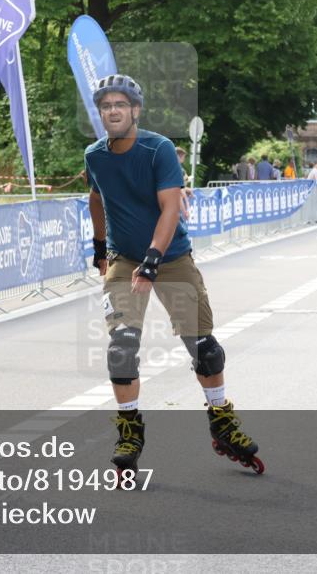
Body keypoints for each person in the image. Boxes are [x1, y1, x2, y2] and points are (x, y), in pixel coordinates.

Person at [84, 74, 263, 476]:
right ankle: (130, 430)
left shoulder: (158, 148)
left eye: (120, 105)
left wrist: (152, 261)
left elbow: (169, 208)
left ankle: (221, 420)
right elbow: (96, 197)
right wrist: (99, 250)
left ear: (135, 110)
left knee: (205, 348)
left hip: (172, 257)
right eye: (106, 106)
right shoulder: (94, 155)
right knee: (121, 347)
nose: (113, 111)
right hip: (125, 258)